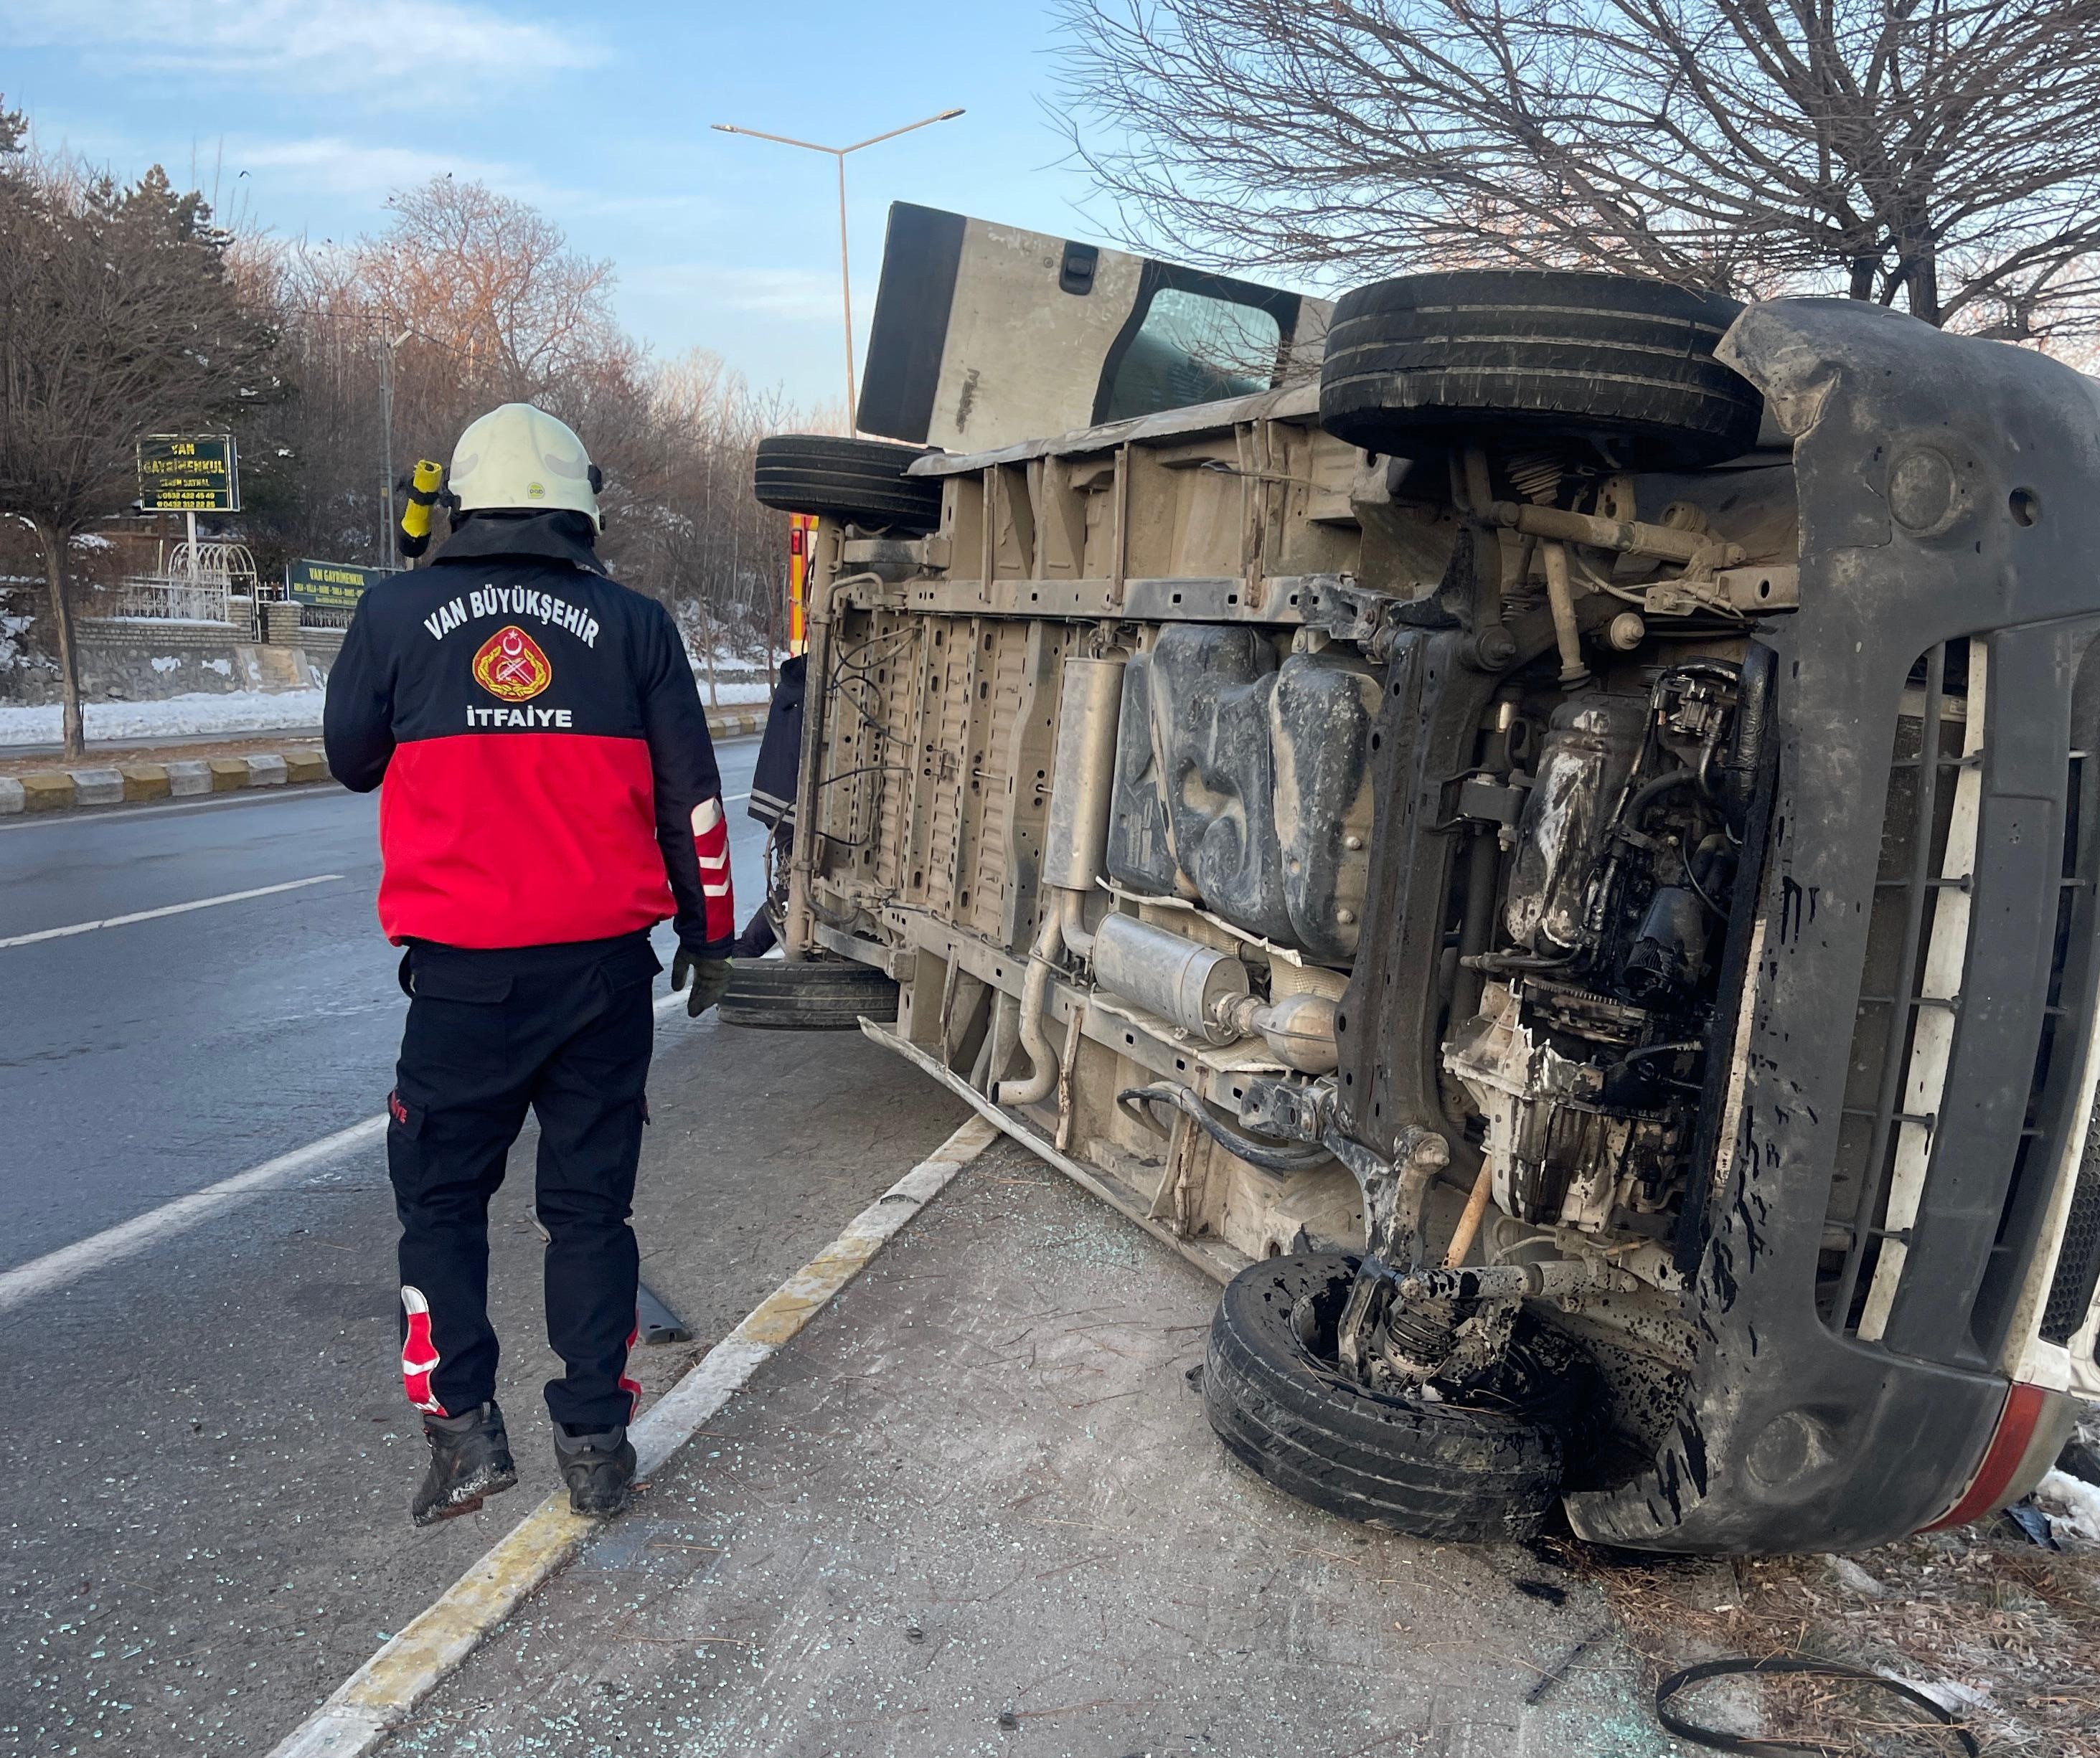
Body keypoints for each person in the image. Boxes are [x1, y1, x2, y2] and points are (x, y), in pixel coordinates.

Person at [324, 403, 734, 1526]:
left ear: (461, 500)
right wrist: (709, 932)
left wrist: (412, 635)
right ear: (580, 505)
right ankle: (597, 1447)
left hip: (462, 985)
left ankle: (464, 1440)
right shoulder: (639, 624)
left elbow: (349, 757)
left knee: (442, 1206)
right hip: (605, 978)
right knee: (589, 1215)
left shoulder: (397, 609)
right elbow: (693, 801)